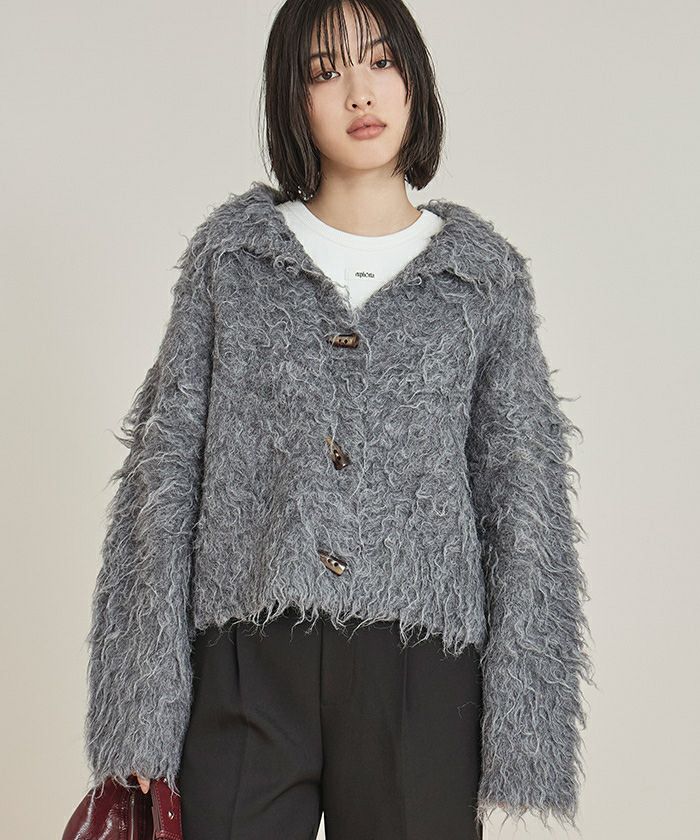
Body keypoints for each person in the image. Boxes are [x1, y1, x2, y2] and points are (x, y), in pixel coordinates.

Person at [83, 1, 595, 838]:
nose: (360, 91)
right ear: (293, 99)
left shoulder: (482, 279)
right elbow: (163, 477)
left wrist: (525, 735)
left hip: (423, 672)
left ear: (414, 79)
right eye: (325, 71)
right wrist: (140, 708)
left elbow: (526, 502)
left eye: (380, 61)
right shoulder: (233, 261)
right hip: (248, 663)